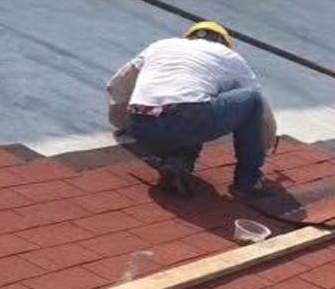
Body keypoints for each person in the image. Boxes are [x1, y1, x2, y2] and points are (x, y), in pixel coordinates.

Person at [107, 21, 277, 197]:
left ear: (189, 36)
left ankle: (178, 162)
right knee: (247, 100)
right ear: (224, 43)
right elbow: (260, 107)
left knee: (194, 103)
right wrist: (267, 145)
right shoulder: (228, 56)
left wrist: (125, 125)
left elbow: (117, 84)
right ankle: (248, 182)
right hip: (187, 120)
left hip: (142, 127)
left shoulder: (161, 45)